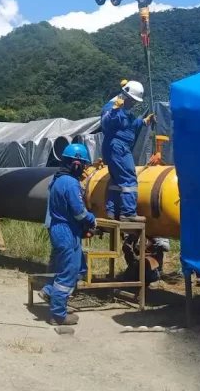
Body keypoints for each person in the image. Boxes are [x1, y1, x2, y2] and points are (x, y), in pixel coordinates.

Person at [38, 143, 96, 326]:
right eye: (84, 165)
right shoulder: (71, 183)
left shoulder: (56, 179)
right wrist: (92, 219)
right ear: (77, 164)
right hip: (66, 232)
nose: (85, 169)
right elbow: (79, 212)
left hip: (63, 229)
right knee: (67, 273)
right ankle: (58, 315)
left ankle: (49, 290)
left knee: (79, 268)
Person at [100, 80, 157, 222]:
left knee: (116, 181)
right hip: (117, 148)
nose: (134, 103)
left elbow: (130, 125)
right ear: (126, 96)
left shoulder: (125, 110)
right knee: (129, 178)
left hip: (117, 148)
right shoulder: (113, 107)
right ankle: (128, 213)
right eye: (133, 100)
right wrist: (114, 111)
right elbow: (106, 124)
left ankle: (112, 212)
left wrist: (145, 121)